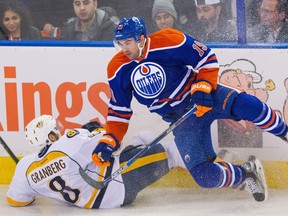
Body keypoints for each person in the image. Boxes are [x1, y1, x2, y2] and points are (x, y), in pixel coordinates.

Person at [92, 16, 288, 203]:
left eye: (128, 43)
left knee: (250, 106)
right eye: (120, 43)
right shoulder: (117, 68)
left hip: (205, 97)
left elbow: (206, 57)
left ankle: (284, 131)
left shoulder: (169, 40)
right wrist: (110, 138)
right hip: (182, 119)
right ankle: (246, 174)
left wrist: (203, 84)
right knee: (204, 176)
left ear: (141, 39)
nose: (124, 49)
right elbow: (119, 109)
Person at [6, 115, 186, 208]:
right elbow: (114, 143)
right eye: (55, 128)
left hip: (94, 200)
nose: (60, 130)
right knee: (170, 153)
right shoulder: (67, 142)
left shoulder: (24, 168)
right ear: (50, 135)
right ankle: (210, 171)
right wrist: (97, 129)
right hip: (119, 183)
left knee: (142, 137)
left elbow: (16, 200)